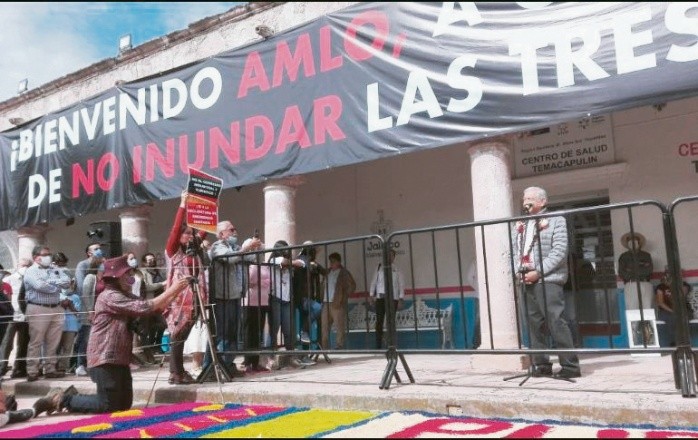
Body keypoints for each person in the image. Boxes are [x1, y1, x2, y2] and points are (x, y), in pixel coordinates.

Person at [31, 255, 190, 416]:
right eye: (127, 274)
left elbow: (154, 306)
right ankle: (62, 399)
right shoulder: (110, 296)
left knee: (123, 405)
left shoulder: (124, 295)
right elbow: (145, 306)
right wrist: (174, 289)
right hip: (104, 357)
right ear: (116, 278)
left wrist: (177, 290)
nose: (131, 278)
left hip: (120, 357)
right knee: (108, 405)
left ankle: (74, 397)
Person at [512, 186, 580, 379]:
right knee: (533, 324)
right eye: (524, 198)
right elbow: (514, 251)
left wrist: (538, 272)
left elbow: (559, 251)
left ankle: (570, 366)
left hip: (548, 279)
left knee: (556, 321)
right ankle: (541, 365)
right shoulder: (520, 224)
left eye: (530, 198)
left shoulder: (556, 220)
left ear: (543, 202)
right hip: (525, 279)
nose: (526, 201)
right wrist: (518, 271)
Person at [163, 190, 209, 385]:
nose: (191, 236)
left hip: (195, 297)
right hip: (179, 299)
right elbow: (175, 228)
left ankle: (178, 371)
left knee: (183, 335)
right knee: (177, 334)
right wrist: (183, 204)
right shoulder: (173, 249)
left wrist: (210, 207)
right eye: (187, 233)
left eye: (192, 233)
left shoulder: (193, 248)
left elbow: (205, 228)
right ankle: (176, 373)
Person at [205, 220, 261, 377]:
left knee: (232, 334)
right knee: (222, 334)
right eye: (231, 229)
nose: (235, 232)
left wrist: (256, 247)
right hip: (223, 296)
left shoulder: (236, 248)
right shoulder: (217, 246)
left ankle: (228, 365)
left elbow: (253, 258)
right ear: (221, 234)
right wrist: (246, 248)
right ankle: (211, 368)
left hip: (235, 295)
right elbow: (229, 258)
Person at [24, 245, 72, 382]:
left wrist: (51, 282)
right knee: (36, 341)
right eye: (45, 255)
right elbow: (39, 286)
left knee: (53, 341)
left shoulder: (54, 268)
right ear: (36, 258)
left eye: (49, 254)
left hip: (56, 307)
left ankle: (50, 369)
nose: (48, 257)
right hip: (38, 308)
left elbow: (67, 281)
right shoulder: (31, 271)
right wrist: (57, 286)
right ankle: (32, 371)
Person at [241, 237, 272, 372]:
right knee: (249, 332)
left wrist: (259, 282)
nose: (258, 252)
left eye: (259, 249)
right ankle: (248, 362)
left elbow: (269, 280)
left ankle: (256, 362)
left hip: (263, 301)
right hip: (249, 301)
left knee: (258, 332)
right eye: (255, 249)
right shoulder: (246, 264)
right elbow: (246, 282)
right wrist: (258, 282)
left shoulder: (264, 265)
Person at [0, 258, 32, 378]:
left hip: (25, 315)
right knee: (6, 343)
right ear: (18, 266)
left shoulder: (30, 280)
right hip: (11, 316)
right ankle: (2, 368)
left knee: (23, 344)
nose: (25, 268)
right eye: (23, 265)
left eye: (28, 266)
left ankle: (19, 369)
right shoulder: (8, 279)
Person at [368, 249, 405, 349]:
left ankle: (391, 344)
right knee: (379, 322)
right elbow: (374, 282)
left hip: (393, 299)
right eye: (388, 255)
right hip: (380, 298)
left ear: (394, 257)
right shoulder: (379, 267)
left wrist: (401, 298)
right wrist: (371, 295)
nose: (389, 257)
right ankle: (378, 346)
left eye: (392, 255)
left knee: (390, 322)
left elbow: (401, 284)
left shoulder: (397, 269)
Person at [52, 252, 81, 374]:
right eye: (59, 264)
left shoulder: (75, 297)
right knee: (54, 346)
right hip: (57, 323)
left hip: (71, 325)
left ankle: (62, 367)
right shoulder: (53, 293)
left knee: (68, 346)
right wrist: (64, 301)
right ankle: (51, 367)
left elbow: (78, 312)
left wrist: (71, 305)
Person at [321, 253, 356, 350]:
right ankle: (324, 347)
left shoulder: (344, 273)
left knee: (339, 326)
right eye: (330, 261)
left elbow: (352, 286)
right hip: (326, 302)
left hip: (337, 302)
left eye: (333, 261)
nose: (331, 263)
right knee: (324, 327)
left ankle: (339, 346)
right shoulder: (328, 272)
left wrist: (343, 297)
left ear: (339, 262)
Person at [140, 252, 167, 362]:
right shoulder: (143, 272)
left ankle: (157, 345)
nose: (152, 261)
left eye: (152, 259)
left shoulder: (158, 272)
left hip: (160, 302)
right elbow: (147, 287)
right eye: (149, 260)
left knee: (163, 324)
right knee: (148, 327)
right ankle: (150, 347)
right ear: (144, 262)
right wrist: (161, 284)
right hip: (149, 302)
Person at [617, 232, 654, 310]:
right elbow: (622, 273)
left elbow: (649, 270)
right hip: (630, 285)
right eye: (630, 241)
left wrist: (631, 270)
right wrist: (641, 268)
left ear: (639, 242)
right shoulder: (624, 257)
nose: (632, 243)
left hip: (645, 284)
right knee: (632, 310)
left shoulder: (646, 255)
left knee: (647, 309)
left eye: (635, 241)